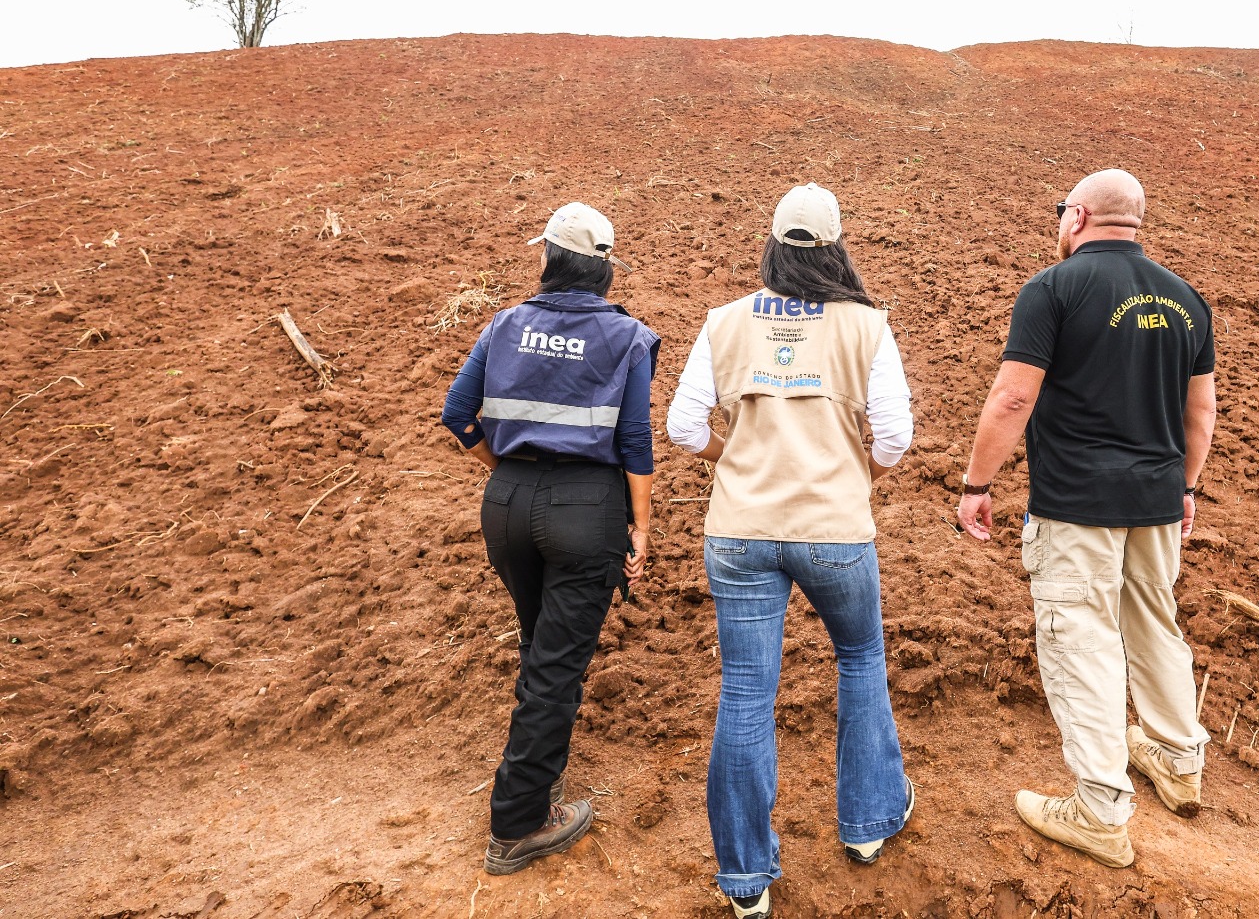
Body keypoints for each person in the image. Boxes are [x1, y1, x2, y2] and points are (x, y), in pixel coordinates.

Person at [667, 183, 916, 919]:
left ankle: (746, 882)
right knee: (861, 659)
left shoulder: (724, 322)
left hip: (738, 531)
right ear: (837, 244)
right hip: (835, 531)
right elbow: (896, 437)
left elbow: (683, 427)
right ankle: (868, 827)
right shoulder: (865, 326)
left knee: (746, 690)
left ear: (772, 242)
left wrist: (735, 459)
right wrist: (854, 474)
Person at [955, 168, 1216, 868]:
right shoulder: (1186, 299)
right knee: (1155, 621)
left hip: (1077, 506)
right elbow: (1201, 412)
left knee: (1081, 638)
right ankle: (1177, 758)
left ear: (1078, 216)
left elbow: (1013, 399)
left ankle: (1100, 809)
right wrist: (1185, 488)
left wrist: (978, 482)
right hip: (1158, 502)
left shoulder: (1055, 288)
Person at [440, 202, 660, 875]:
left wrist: (504, 472)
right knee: (557, 666)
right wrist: (641, 524)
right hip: (585, 511)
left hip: (506, 503)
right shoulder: (627, 339)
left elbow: (457, 414)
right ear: (605, 273)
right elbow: (634, 443)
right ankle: (518, 823)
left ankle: (537, 781)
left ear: (548, 260)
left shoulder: (504, 324)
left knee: (543, 650)